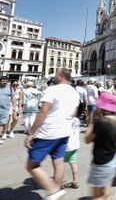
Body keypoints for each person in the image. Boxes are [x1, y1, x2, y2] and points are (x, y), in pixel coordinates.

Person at [25, 69, 80, 200]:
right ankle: (57, 188)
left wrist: (31, 133)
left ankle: (53, 191)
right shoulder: (74, 92)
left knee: (32, 165)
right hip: (65, 131)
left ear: (60, 76)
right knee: (58, 161)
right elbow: (74, 113)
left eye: (55, 74)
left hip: (49, 131)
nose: (54, 77)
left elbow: (43, 112)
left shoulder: (52, 89)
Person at [85, 93, 116, 200]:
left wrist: (91, 121)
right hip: (113, 160)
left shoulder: (100, 123)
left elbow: (87, 139)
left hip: (101, 162)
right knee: (106, 191)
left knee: (98, 195)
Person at [62, 117, 81, 189]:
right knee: (73, 162)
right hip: (75, 144)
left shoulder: (65, 119)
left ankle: (63, 180)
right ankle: (75, 180)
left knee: (60, 163)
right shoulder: (77, 119)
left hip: (66, 145)